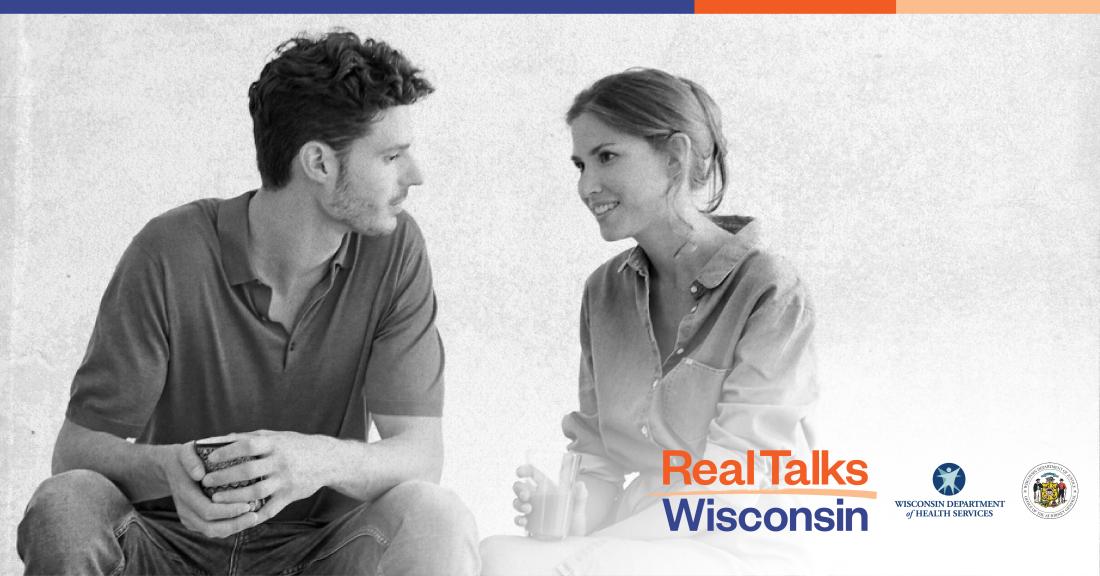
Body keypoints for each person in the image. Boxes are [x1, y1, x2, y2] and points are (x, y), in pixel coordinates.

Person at [17, 31, 479, 576]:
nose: (414, 175)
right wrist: (170, 468)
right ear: (319, 163)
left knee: (435, 514)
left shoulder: (395, 248)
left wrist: (317, 461)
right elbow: (74, 454)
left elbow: (422, 455)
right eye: (392, 156)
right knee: (67, 502)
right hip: (169, 546)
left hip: (319, 551)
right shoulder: (169, 250)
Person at [481, 68, 818, 575]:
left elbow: (737, 481)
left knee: (555, 569)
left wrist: (580, 550)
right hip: (634, 538)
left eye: (606, 156)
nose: (586, 186)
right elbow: (598, 459)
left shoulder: (768, 288)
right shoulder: (603, 291)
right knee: (494, 553)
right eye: (579, 164)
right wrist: (568, 512)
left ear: (675, 158)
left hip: (738, 541)